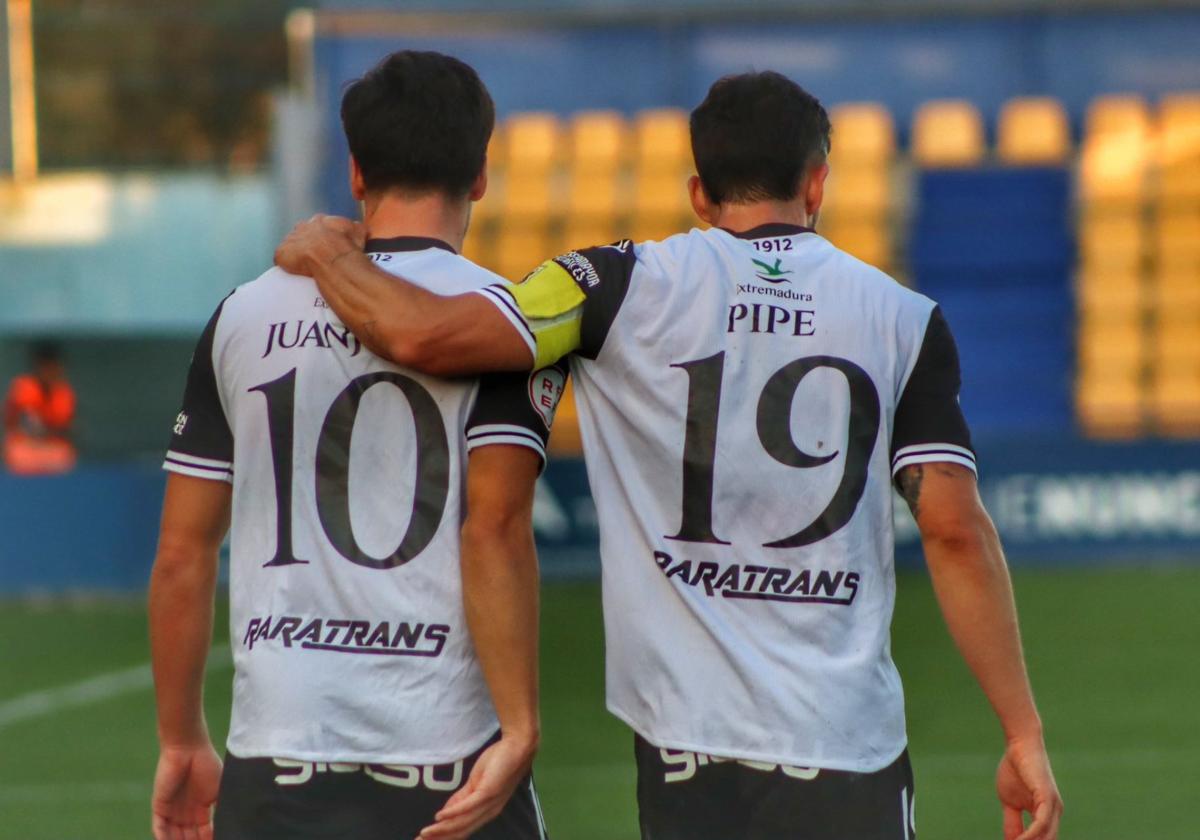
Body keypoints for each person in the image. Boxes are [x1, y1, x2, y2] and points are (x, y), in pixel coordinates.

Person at [276, 71, 1063, 840]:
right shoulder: (905, 318)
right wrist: (1022, 731)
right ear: (816, 184)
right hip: (846, 749)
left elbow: (426, 336)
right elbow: (955, 531)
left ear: (699, 193)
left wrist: (325, 255)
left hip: (691, 753)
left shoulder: (608, 285)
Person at [148, 50, 560, 840]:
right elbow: (494, 530)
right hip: (445, 762)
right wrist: (519, 726)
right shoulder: (504, 322)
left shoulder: (242, 314)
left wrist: (180, 739)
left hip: (276, 763)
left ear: (358, 175)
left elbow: (182, 554)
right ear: (480, 174)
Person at [3, 341, 77, 475]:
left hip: (51, 446)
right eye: (46, 367)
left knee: (64, 454)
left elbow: (66, 428)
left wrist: (47, 431)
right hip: (26, 445)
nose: (49, 371)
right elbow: (28, 424)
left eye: (53, 366)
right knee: (18, 453)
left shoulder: (63, 391)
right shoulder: (24, 386)